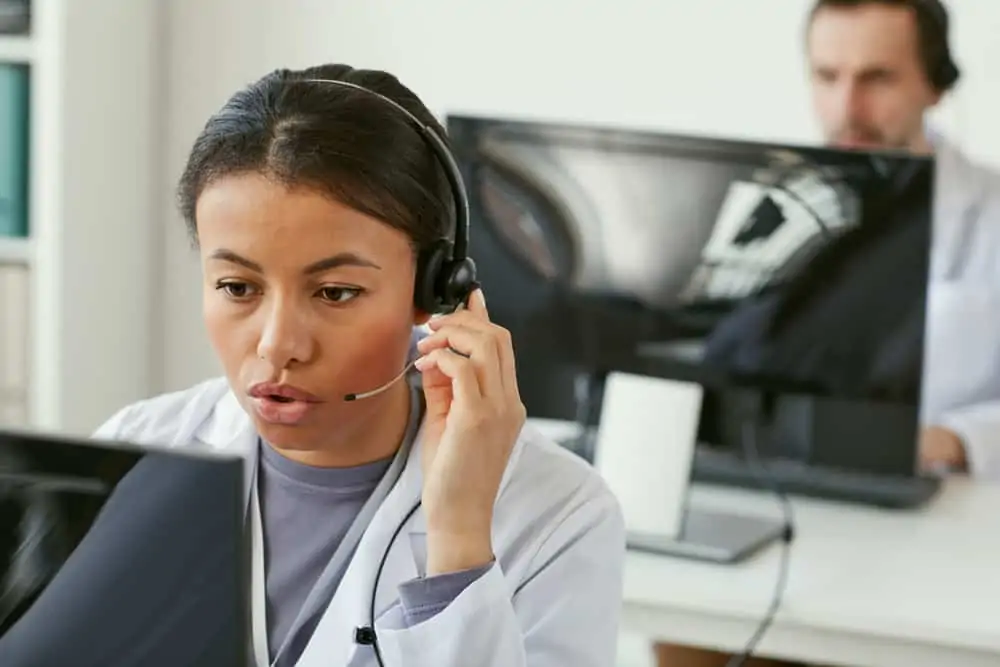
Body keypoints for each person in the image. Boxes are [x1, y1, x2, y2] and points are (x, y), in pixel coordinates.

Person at [88, 64, 626, 667]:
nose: (276, 345)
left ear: (434, 290)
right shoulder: (132, 455)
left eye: (335, 293)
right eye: (238, 287)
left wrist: (459, 539)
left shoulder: (558, 517)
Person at [656, 1, 1000, 665]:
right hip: (800, 512)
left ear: (937, 82)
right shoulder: (774, 207)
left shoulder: (991, 216)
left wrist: (956, 438)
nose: (848, 107)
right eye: (827, 75)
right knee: (696, 631)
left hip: (942, 528)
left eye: (877, 78)